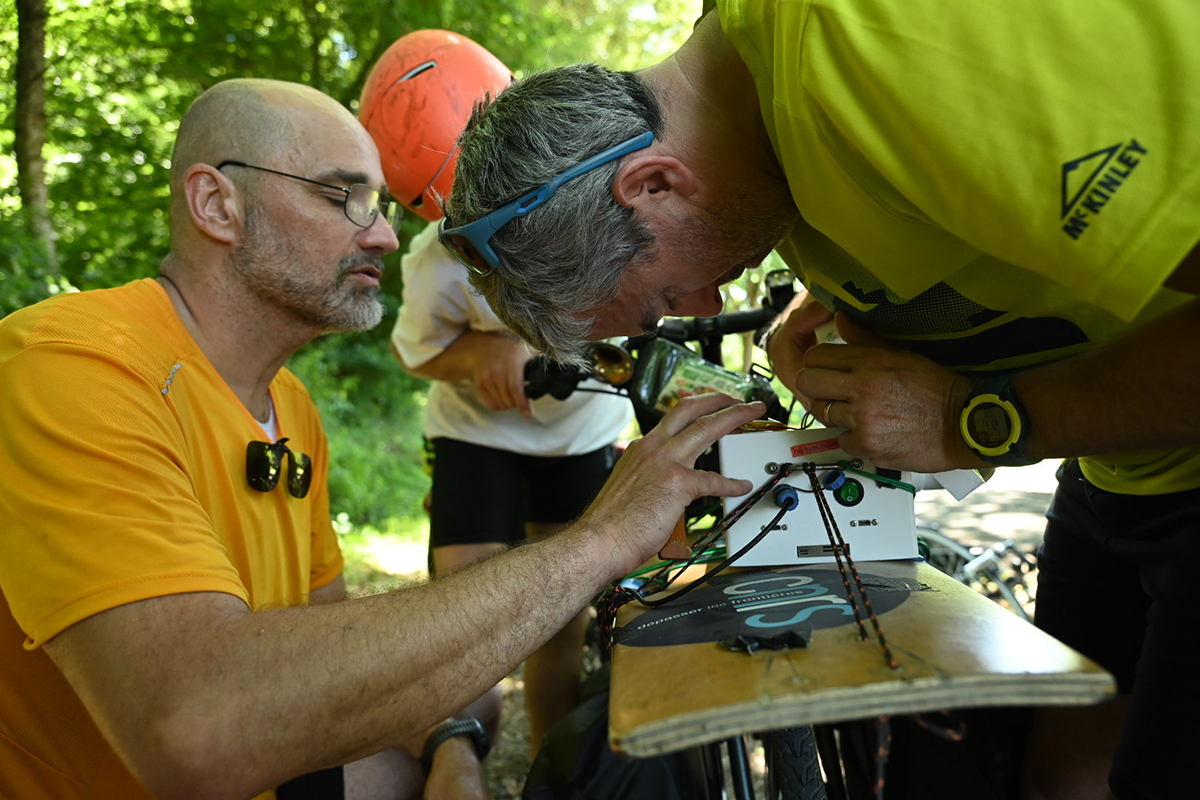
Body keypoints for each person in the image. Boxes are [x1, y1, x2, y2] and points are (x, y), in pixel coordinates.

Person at [440, 3, 1200, 799]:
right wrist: (855, 297)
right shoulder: (760, 148)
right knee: (1058, 781)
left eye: (668, 297)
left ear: (653, 183)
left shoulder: (871, 50)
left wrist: (972, 419)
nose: (708, 306)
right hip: (1122, 470)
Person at [0, 77, 765, 800]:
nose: (385, 238)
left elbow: (328, 657)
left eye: (381, 205)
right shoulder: (71, 368)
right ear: (217, 205)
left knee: (452, 726)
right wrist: (601, 539)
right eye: (345, 198)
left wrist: (452, 750)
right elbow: (194, 727)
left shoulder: (288, 407)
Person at [358, 29, 633, 755]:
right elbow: (416, 351)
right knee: (462, 622)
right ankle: (459, 765)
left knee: (561, 621)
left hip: (578, 437)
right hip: (476, 437)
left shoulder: (597, 204)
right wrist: (487, 350)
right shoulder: (434, 258)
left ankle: (551, 769)